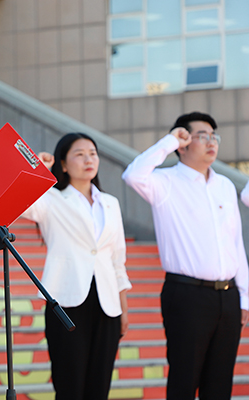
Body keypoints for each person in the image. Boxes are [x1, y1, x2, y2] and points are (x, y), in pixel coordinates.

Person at [122, 111, 249, 399]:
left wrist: (244, 295)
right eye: (202, 136)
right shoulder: (165, 182)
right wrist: (168, 142)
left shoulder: (225, 186)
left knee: (220, 385)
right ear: (183, 143)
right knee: (184, 380)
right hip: (187, 295)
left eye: (214, 136)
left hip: (228, 297)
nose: (211, 142)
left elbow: (235, 243)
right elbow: (132, 175)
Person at [21, 133, 132, 400]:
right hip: (66, 301)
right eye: (79, 154)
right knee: (69, 386)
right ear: (63, 163)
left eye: (92, 153)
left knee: (99, 387)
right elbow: (19, 204)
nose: (88, 159)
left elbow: (117, 259)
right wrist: (38, 170)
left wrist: (123, 308)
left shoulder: (110, 203)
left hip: (107, 304)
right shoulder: (51, 199)